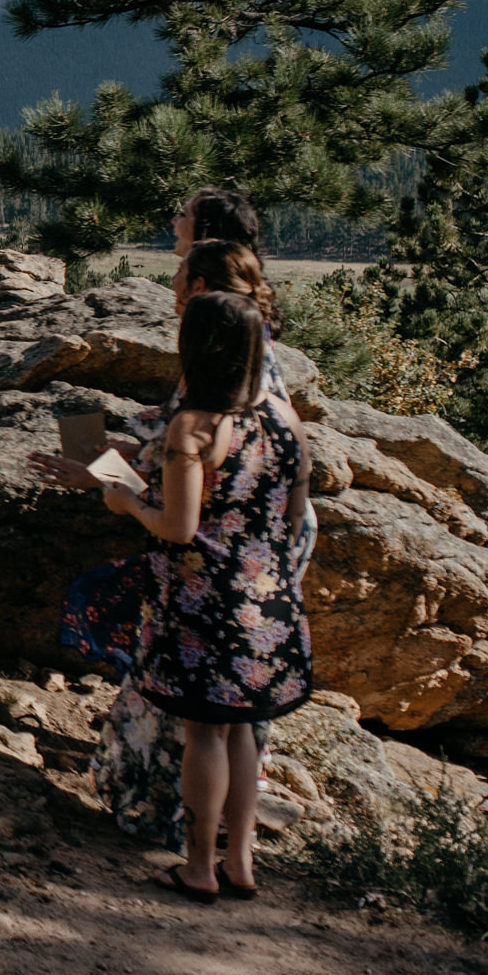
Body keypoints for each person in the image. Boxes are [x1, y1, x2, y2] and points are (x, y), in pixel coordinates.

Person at [39, 291, 313, 902]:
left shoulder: (196, 427)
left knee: (205, 736)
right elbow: (293, 511)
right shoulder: (282, 419)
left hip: (203, 604)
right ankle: (240, 863)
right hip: (269, 601)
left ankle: (197, 868)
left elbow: (179, 527)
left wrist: (127, 500)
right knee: (244, 732)